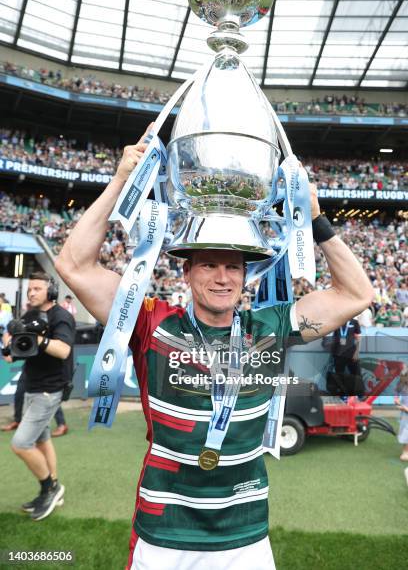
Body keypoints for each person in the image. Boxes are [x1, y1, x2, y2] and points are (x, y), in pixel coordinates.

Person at [55, 127, 373, 569]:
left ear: (246, 276)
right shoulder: (149, 320)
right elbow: (73, 264)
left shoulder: (272, 325)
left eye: (232, 266)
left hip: (245, 536)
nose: (222, 277)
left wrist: (316, 219)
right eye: (208, 264)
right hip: (163, 532)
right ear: (187, 272)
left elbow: (356, 295)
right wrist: (117, 184)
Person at [2, 272, 75, 520]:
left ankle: (50, 489)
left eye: (37, 288)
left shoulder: (61, 316)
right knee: (42, 440)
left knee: (21, 443)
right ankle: (52, 489)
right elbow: (13, 355)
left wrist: (38, 339)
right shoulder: (30, 315)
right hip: (32, 386)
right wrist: (7, 342)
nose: (32, 292)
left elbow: (63, 350)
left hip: (49, 390)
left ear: (50, 292)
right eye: (30, 288)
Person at [0, 369, 69, 436]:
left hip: (46, 367)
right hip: (30, 365)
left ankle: (61, 424)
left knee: (48, 394)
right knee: (20, 391)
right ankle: (18, 421)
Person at [327, 318, 364, 397]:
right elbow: (334, 338)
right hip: (338, 354)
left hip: (351, 353)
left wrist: (356, 353)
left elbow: (358, 339)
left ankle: (358, 395)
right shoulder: (337, 322)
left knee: (356, 375)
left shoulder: (354, 322)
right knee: (339, 376)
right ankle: (342, 395)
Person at [394, 371, 408, 461]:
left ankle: (406, 452)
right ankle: (405, 451)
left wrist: (406, 409)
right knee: (405, 431)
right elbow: (396, 392)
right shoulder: (402, 385)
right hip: (405, 415)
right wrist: (396, 400)